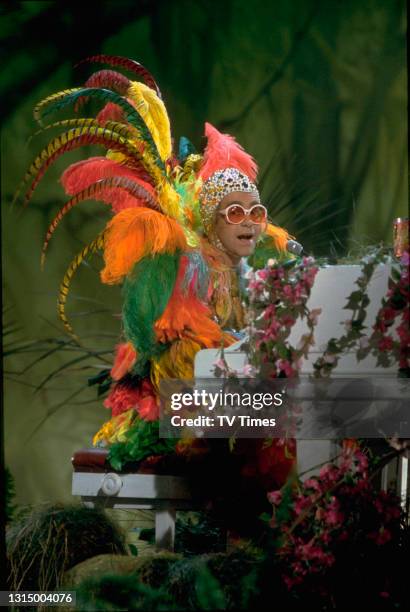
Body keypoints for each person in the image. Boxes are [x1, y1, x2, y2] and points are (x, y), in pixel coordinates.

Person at [18, 55, 295, 534]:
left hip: (217, 399)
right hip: (173, 401)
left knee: (276, 420)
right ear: (211, 222)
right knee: (257, 422)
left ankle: (237, 537)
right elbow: (176, 348)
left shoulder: (245, 276)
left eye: (256, 211)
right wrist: (236, 353)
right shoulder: (189, 266)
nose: (249, 221)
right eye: (234, 213)